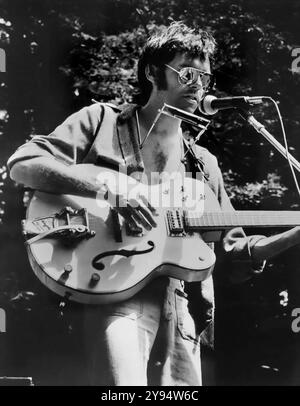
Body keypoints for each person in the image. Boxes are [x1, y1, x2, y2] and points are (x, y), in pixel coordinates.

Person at [7, 21, 300, 386]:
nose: (198, 86)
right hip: (109, 291)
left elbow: (233, 249)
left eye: (205, 78)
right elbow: (24, 165)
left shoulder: (203, 163)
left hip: (183, 307)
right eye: (188, 73)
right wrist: (109, 186)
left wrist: (292, 235)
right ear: (152, 72)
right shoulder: (100, 121)